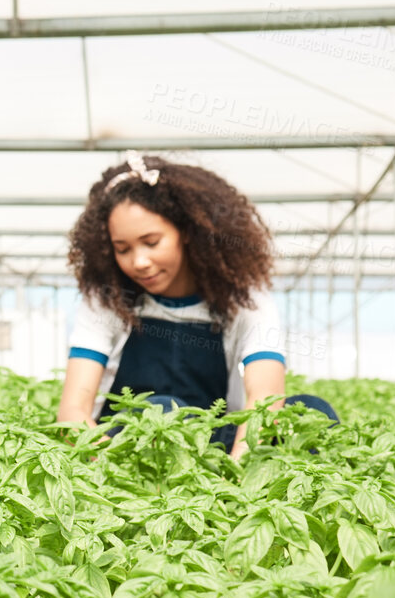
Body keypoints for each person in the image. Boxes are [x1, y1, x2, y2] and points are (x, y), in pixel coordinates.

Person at [54, 152, 335, 457]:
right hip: (125, 444)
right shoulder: (109, 299)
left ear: (186, 232)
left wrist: (238, 478)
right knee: (160, 412)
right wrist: (107, 469)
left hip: (213, 445)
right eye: (122, 249)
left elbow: (265, 398)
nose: (139, 262)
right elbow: (73, 409)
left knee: (311, 412)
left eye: (151, 242)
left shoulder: (243, 299)